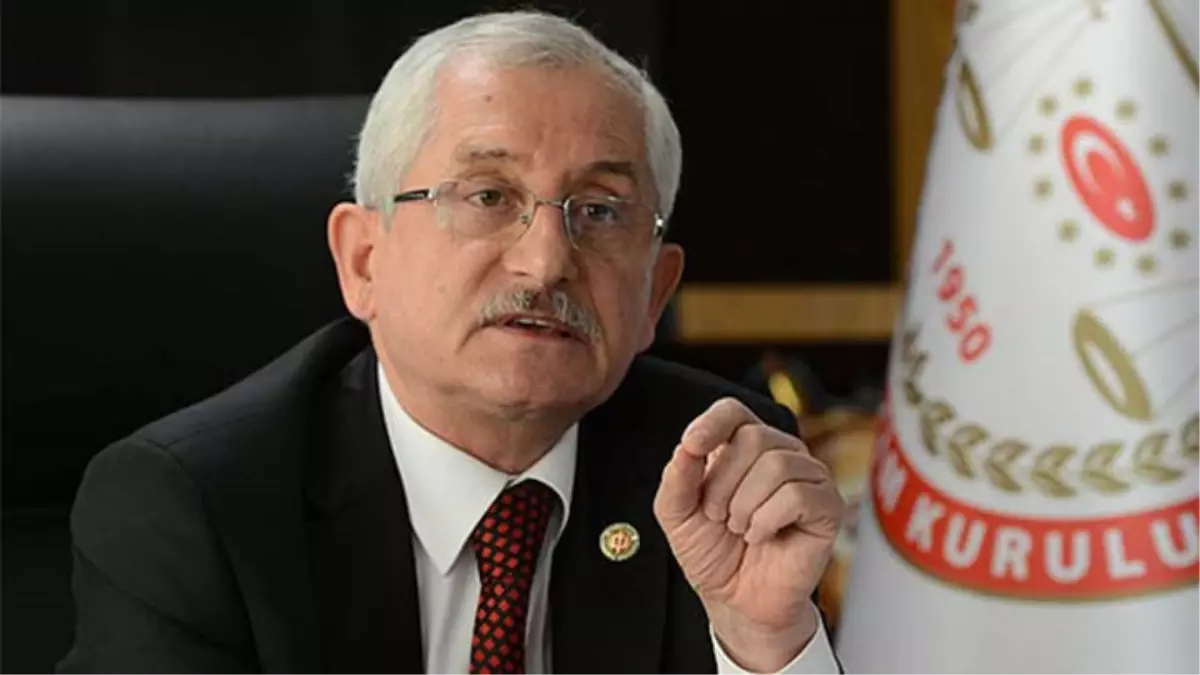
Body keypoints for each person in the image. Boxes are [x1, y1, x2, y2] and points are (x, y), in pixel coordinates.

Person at [57, 10, 845, 675]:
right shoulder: (194, 508)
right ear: (364, 261)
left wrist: (765, 642)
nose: (545, 262)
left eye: (601, 210)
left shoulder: (719, 476)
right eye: (489, 195)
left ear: (655, 296)